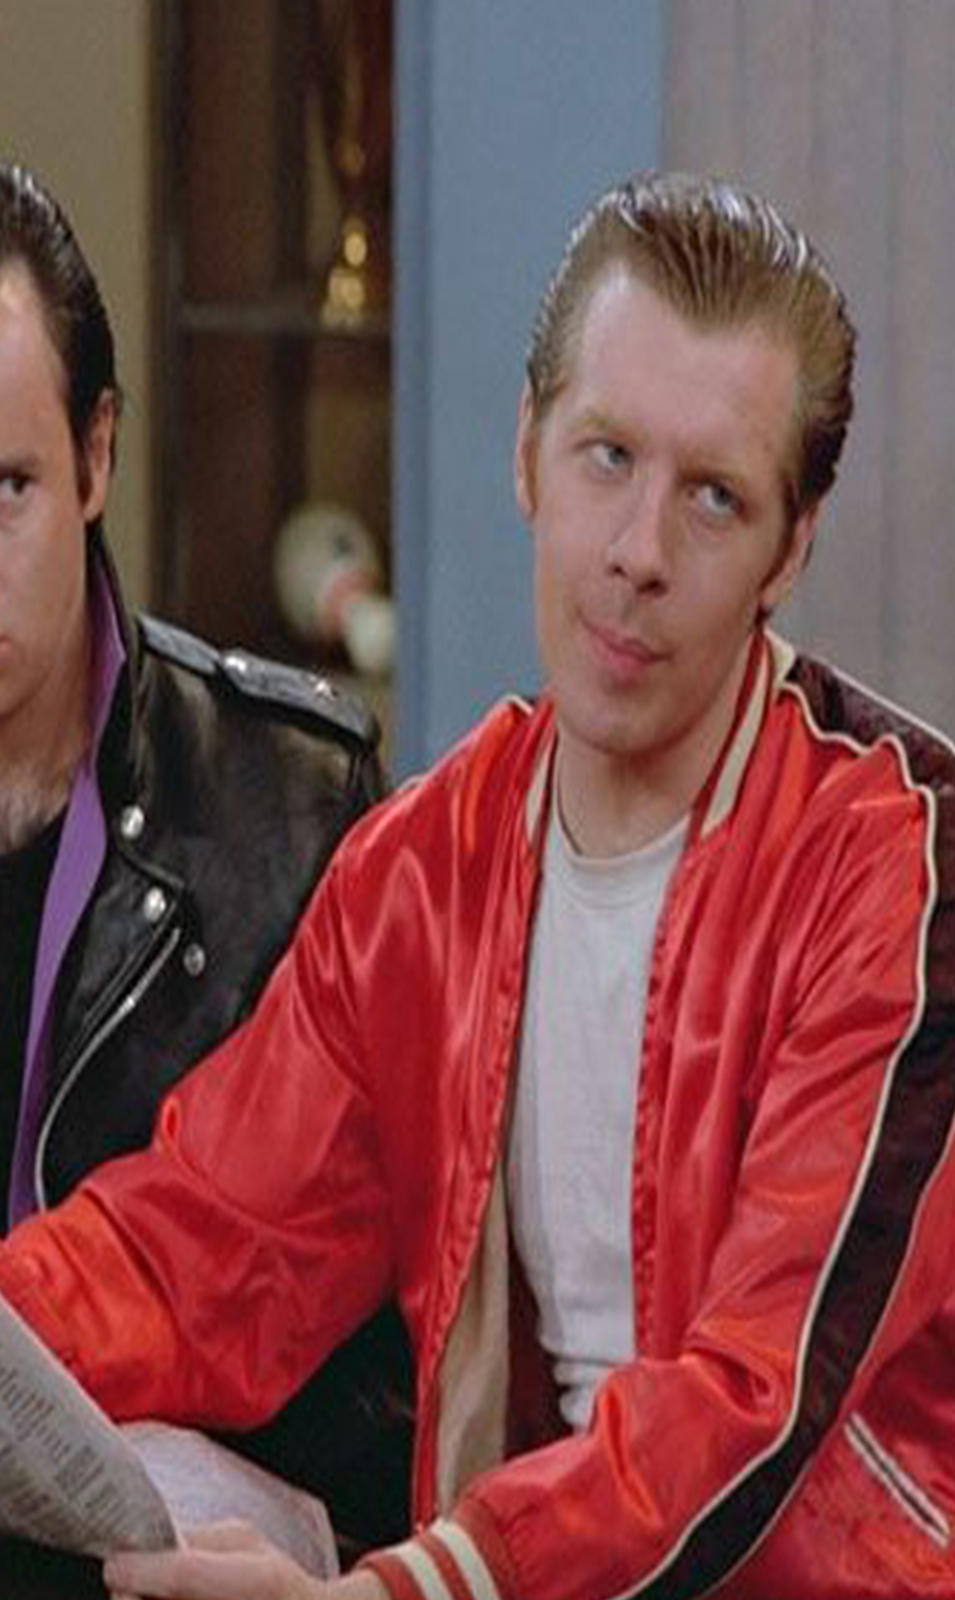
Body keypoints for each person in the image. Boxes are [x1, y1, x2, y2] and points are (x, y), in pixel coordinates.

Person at [0, 172, 955, 1599]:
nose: (639, 553)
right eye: (606, 458)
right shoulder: (429, 866)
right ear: (527, 453)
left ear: (792, 546)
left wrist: (402, 1590)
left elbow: (751, 1397)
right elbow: (201, 1249)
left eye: (714, 497)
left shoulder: (896, 859)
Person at [0, 161, 411, 1548]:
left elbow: (375, 1348)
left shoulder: (294, 798)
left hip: (189, 1531)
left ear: (98, 455)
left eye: (7, 486)